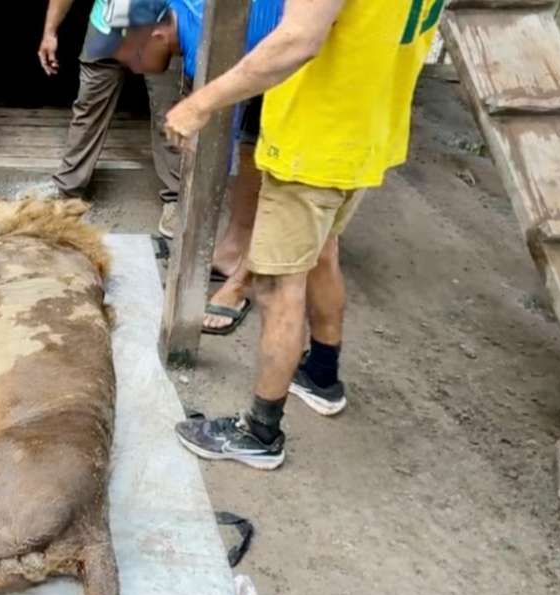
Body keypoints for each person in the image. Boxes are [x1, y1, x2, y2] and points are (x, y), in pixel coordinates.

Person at [166, 0, 444, 468]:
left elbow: (298, 39)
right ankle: (320, 375)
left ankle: (260, 433)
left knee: (277, 287)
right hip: (368, 132)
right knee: (321, 253)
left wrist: (200, 103)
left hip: (312, 143)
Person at [92, 0, 281, 335]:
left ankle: (242, 284)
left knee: (277, 174)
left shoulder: (204, 46)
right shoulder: (179, 10)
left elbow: (215, 152)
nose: (123, 60)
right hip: (264, 50)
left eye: (129, 49)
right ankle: (230, 251)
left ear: (159, 34)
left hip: (300, 60)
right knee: (252, 149)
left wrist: (196, 132)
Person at [26, 0, 185, 237]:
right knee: (88, 109)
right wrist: (50, 32)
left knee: (170, 115)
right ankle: (68, 190)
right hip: (108, 24)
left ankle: (176, 198)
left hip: (163, 28)